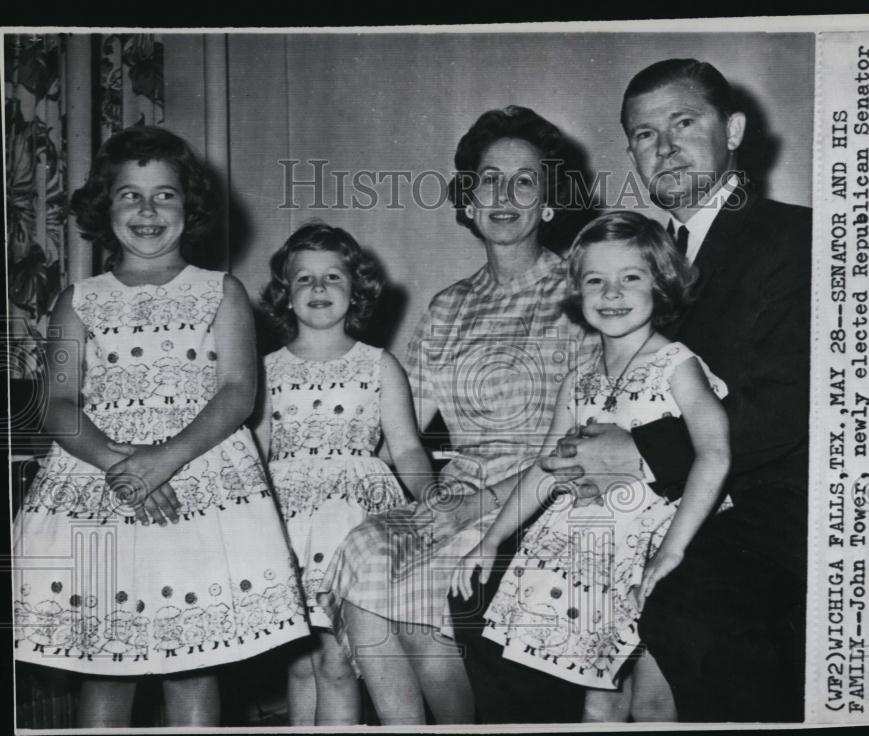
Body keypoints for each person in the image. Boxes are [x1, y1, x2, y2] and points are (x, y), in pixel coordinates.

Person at [541, 58, 811, 722]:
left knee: (685, 605)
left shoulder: (798, 238)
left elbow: (790, 403)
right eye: (643, 133)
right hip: (647, 503)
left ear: (735, 129)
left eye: (682, 122)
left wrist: (637, 451)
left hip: (764, 511)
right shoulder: (636, 259)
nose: (663, 146)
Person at [11, 126, 308, 727]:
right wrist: (123, 464)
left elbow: (237, 394)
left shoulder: (222, 292)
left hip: (197, 485)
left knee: (191, 664)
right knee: (104, 663)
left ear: (189, 206)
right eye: (130, 195)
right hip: (98, 488)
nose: (148, 211)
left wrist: (162, 460)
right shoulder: (77, 300)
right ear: (103, 206)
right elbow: (59, 405)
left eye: (165, 195)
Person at [323, 105, 592, 724]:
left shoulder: (581, 292)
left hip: (548, 492)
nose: (503, 195)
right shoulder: (449, 307)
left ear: (548, 202)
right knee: (364, 551)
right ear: (468, 201)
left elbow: (584, 438)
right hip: (458, 493)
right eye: (488, 180)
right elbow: (400, 429)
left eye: (524, 181)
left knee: (419, 604)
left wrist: (469, 506)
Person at [450, 211, 730, 722]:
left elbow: (715, 453)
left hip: (664, 550)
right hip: (589, 559)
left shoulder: (676, 364)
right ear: (577, 293)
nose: (612, 292)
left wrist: (672, 551)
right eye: (595, 280)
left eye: (630, 277)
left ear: (661, 284)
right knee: (597, 703)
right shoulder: (579, 380)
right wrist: (490, 540)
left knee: (652, 704)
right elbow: (547, 467)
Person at [256, 222, 426, 725]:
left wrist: (433, 501)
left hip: (355, 525)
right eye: (304, 279)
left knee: (337, 662)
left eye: (333, 277)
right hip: (288, 526)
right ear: (285, 295)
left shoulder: (378, 365)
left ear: (357, 292)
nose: (319, 288)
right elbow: (256, 459)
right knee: (302, 664)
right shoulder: (266, 370)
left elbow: (409, 450)